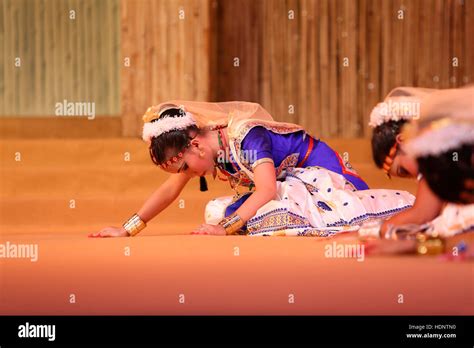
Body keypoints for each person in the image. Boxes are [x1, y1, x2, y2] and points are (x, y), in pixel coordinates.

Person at [91, 101, 414, 238]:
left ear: (196, 146)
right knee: (220, 211)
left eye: (186, 167)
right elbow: (169, 191)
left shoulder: (245, 136)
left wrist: (227, 230)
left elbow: (266, 189)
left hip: (320, 173)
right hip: (287, 183)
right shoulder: (207, 150)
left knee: (244, 216)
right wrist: (128, 228)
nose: (188, 174)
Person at [369, 87, 445, 236]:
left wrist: (369, 232)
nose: (415, 178)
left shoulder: (437, 153)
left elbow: (421, 215)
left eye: (403, 170)